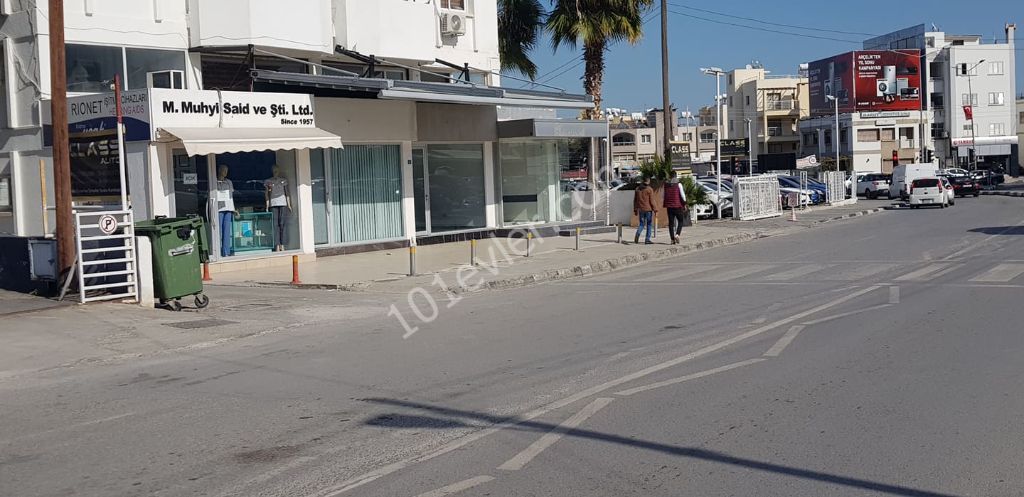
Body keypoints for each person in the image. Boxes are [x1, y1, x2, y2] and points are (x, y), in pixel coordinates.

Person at [264, 165, 291, 252]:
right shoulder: (268, 181)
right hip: (273, 204)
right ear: (272, 171)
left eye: (277, 170)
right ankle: (277, 244)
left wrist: (289, 204)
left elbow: (287, 193)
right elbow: (266, 194)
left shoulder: (283, 181)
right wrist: (267, 205)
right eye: (274, 170)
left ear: (279, 171)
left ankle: (282, 244)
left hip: (283, 203)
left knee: (282, 224)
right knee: (275, 225)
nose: (275, 171)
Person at [215, 165, 237, 257]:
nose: (225, 172)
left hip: (228, 208)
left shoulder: (229, 182)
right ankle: (217, 252)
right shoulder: (215, 182)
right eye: (224, 170)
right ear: (219, 170)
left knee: (226, 231)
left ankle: (226, 252)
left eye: (226, 170)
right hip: (219, 208)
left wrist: (233, 208)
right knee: (218, 231)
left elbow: (231, 196)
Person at [664, 176, 688, 245]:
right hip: (678, 206)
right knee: (680, 221)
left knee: (671, 224)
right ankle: (677, 235)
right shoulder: (679, 185)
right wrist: (685, 204)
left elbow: (663, 196)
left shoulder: (666, 185)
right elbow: (683, 195)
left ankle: (672, 239)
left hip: (669, 206)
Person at [633, 177, 656, 245]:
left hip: (641, 209)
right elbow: (652, 201)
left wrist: (635, 209)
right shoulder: (649, 189)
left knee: (641, 224)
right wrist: (655, 209)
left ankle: (638, 233)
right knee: (649, 224)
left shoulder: (637, 189)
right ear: (648, 181)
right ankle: (647, 239)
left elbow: (635, 200)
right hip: (648, 209)